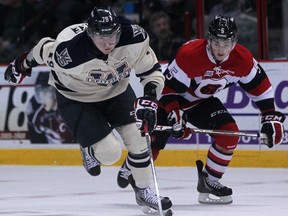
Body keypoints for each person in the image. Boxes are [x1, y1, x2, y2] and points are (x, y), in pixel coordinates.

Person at [4, 6, 172, 214]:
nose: (109, 43)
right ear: (90, 33)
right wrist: (21, 64)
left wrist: (149, 98)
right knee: (110, 154)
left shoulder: (134, 39)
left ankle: (144, 190)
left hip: (117, 91)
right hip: (76, 98)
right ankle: (88, 146)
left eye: (113, 35)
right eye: (102, 37)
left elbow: (152, 71)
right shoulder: (69, 51)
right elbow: (42, 49)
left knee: (140, 140)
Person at [117, 15, 286, 204]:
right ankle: (136, 172)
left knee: (229, 134)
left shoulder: (243, 59)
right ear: (209, 40)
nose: (221, 49)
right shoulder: (190, 54)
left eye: (226, 43)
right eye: (216, 42)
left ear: (234, 41)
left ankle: (209, 180)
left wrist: (270, 116)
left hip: (201, 102)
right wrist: (174, 112)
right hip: (170, 102)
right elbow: (168, 89)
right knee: (153, 145)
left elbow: (260, 88)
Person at [27, 72, 75, 144]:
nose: (42, 99)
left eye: (45, 93)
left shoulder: (70, 110)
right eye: (39, 94)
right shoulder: (38, 113)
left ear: (54, 91)